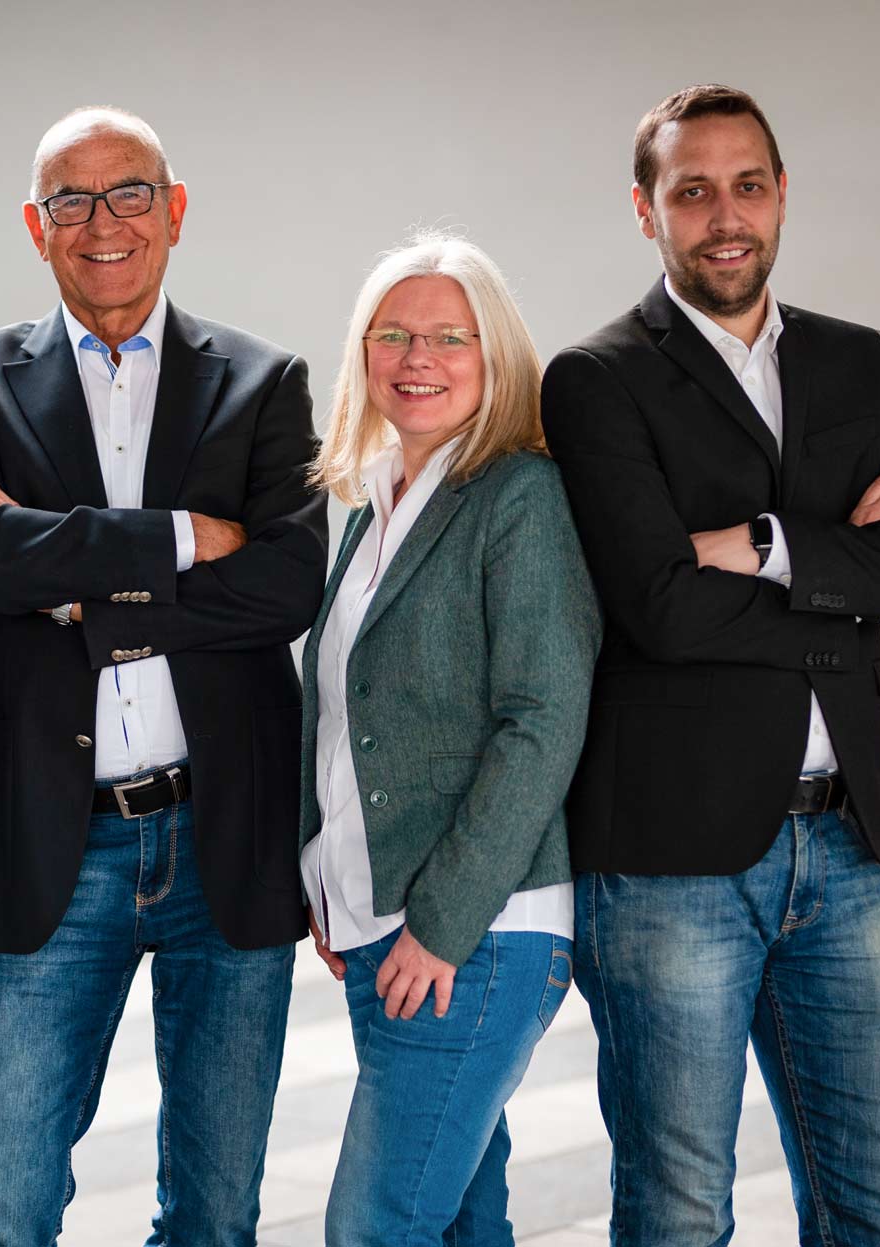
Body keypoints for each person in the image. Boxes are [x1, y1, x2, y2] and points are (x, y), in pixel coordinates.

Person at [542, 83, 880, 1245]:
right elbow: (658, 607)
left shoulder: (856, 360)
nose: (724, 215)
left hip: (846, 845)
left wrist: (765, 542)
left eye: (747, 186)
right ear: (647, 211)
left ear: (781, 194)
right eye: (692, 191)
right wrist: (845, 574)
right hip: (668, 865)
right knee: (680, 1210)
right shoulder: (596, 377)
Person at [0, 106, 326, 1243]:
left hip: (224, 832)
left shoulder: (264, 380)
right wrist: (188, 537)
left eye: (131, 193)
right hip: (51, 834)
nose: (104, 223)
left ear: (175, 210)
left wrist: (76, 589)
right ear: (36, 225)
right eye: (72, 200)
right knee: (0, 1205)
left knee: (215, 1212)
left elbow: (287, 588)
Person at [300, 234, 599, 1245]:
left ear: (494, 354)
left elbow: (542, 718)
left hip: (475, 930)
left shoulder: (519, 494)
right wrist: (327, 874)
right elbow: (346, 708)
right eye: (392, 334)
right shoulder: (375, 500)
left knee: (374, 1225)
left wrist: (442, 923)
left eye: (448, 337)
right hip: (381, 921)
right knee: (467, 1220)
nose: (416, 357)